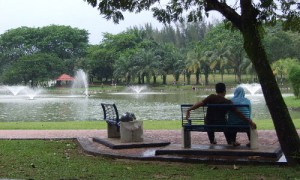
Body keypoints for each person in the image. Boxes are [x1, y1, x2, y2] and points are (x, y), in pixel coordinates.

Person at [185, 83, 256, 146]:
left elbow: (199, 104)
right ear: (225, 91)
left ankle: (212, 141)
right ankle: (230, 141)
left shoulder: (211, 97)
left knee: (208, 121)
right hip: (222, 125)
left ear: (216, 91)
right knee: (226, 124)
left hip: (209, 124)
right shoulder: (227, 102)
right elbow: (239, 114)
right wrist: (250, 122)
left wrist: (189, 109)